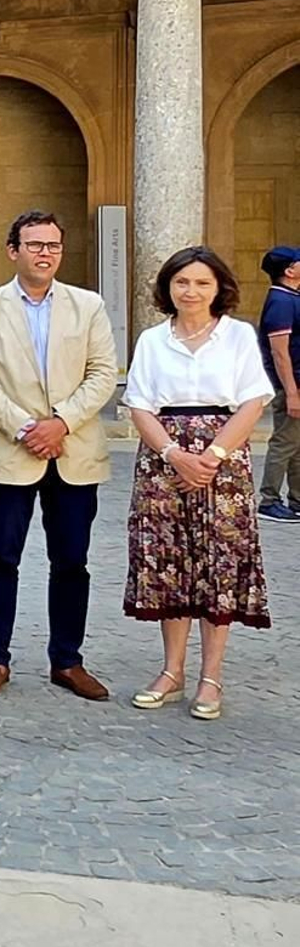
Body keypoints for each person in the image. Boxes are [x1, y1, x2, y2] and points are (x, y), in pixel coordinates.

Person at [0, 210, 118, 701]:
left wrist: (61, 422)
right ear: (13, 251)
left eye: (52, 245)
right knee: (0, 557)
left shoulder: (88, 307)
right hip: (11, 453)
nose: (44, 253)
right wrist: (27, 427)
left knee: (72, 561)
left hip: (73, 452)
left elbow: (103, 373)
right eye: (34, 245)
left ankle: (67, 660)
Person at [121, 245, 273, 720]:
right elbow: (139, 404)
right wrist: (172, 454)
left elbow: (253, 401)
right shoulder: (151, 340)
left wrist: (211, 456)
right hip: (163, 457)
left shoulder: (238, 336)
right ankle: (172, 669)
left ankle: (211, 676)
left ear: (218, 288)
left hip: (222, 459)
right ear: (168, 287)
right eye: (182, 282)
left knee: (217, 562)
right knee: (169, 562)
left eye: (202, 283)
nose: (191, 291)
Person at [255, 244, 300, 524]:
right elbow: (279, 352)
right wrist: (292, 393)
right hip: (292, 385)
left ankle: (296, 499)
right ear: (290, 270)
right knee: (284, 442)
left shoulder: (291, 297)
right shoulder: (281, 301)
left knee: (296, 443)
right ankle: (269, 500)